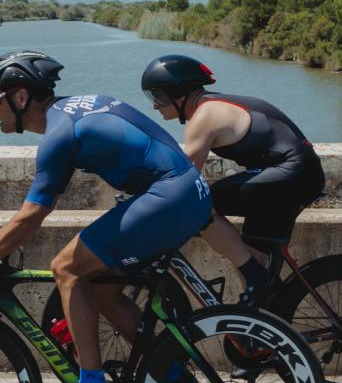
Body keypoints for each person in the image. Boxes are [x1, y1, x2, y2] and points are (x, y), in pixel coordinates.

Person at [0, 49, 212, 383]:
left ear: (20, 98)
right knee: (98, 287)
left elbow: (33, 215)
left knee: (66, 267)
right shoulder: (75, 109)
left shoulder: (58, 134)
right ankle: (172, 376)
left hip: (168, 198)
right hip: (187, 193)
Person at [139, 54, 326, 306]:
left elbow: (182, 178)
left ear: (179, 93)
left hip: (290, 174)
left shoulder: (204, 116)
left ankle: (257, 280)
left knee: (201, 205)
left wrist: (143, 199)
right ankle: (261, 323)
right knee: (252, 256)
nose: (155, 105)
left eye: (159, 97)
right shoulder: (215, 104)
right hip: (295, 175)